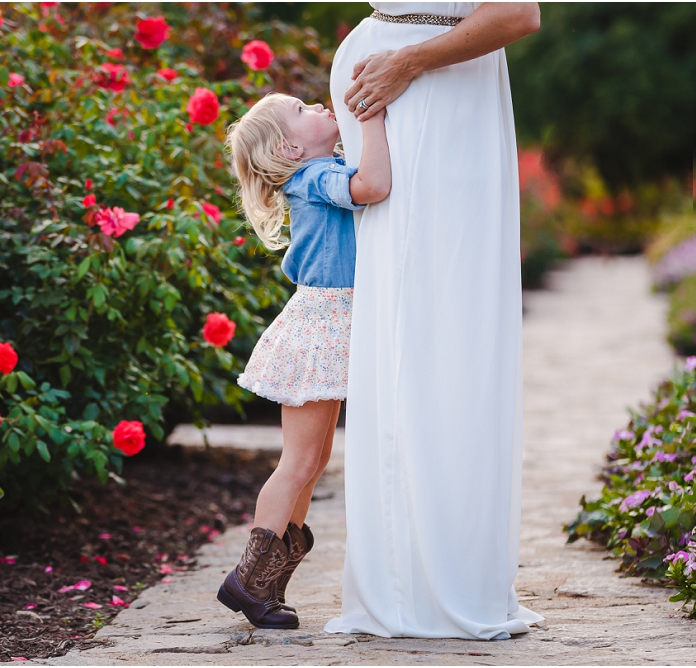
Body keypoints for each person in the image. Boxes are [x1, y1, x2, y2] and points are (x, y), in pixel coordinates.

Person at [323, 2, 545, 639]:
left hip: (437, 82)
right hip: (399, 78)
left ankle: (450, 577)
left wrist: (407, 61)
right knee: (407, 324)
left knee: (453, 325)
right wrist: (393, 63)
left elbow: (520, 12)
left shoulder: (420, 61)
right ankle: (408, 581)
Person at [217, 92, 392, 629]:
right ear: (291, 146)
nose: (318, 105)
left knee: (312, 464)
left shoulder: (323, 167)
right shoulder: (313, 178)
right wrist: (375, 116)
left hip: (335, 325)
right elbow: (375, 187)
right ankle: (247, 581)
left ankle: (267, 583)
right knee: (297, 463)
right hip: (323, 326)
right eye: (301, 109)